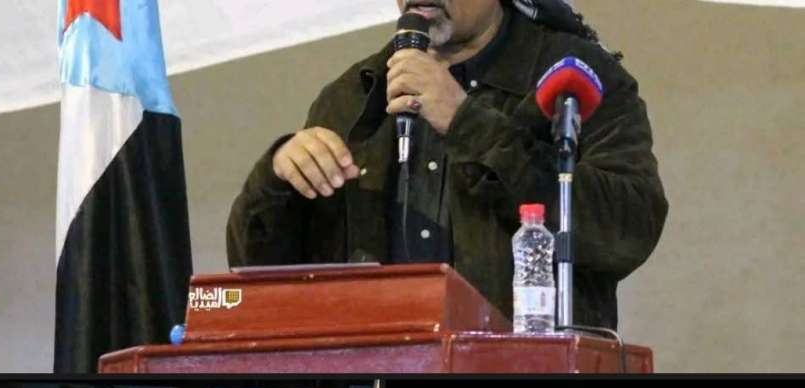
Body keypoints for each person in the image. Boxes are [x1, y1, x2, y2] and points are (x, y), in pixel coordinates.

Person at [226, 0, 668, 329]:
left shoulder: (574, 73)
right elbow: (262, 281)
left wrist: (466, 121)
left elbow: (628, 230)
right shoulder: (352, 97)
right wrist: (277, 178)